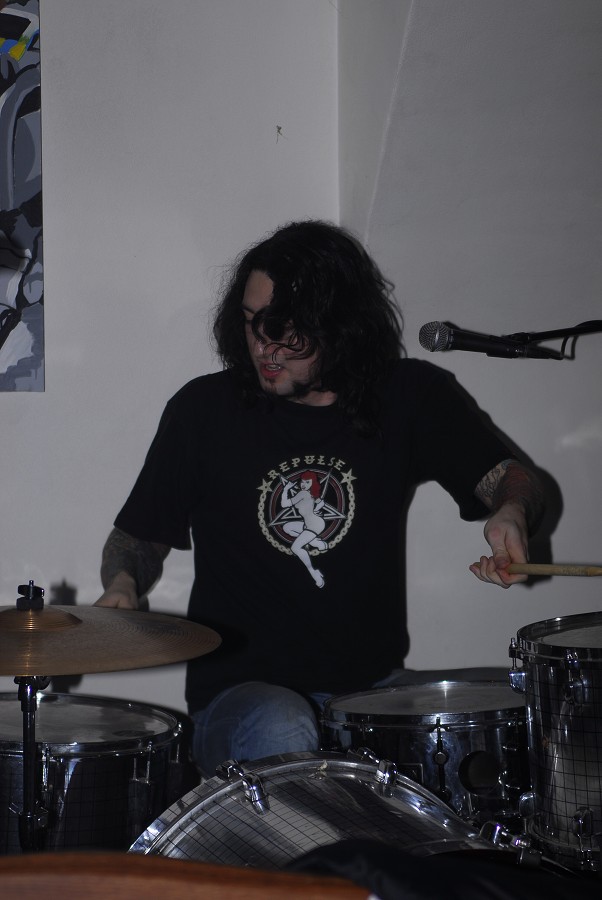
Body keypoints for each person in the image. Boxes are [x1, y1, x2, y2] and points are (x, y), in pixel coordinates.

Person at [96, 220, 544, 778]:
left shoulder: (409, 396)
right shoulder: (203, 411)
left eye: (283, 330)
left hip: (370, 694)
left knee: (519, 701)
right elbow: (137, 536)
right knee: (284, 722)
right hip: (241, 699)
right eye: (251, 323)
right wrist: (123, 583)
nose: (263, 347)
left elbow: (510, 477)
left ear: (338, 324)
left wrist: (511, 509)